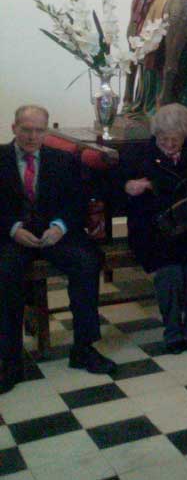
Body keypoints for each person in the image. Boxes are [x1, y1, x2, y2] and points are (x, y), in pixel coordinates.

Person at [0, 105, 117, 394]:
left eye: (39, 130)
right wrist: (13, 229)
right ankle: (9, 360)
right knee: (4, 272)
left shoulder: (62, 160)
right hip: (14, 235)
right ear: (14, 128)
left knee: (87, 262)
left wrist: (59, 227)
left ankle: (84, 348)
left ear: (46, 131)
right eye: (26, 129)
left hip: (54, 234)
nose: (32, 136)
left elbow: (77, 202)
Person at [123, 103, 187, 354]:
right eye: (163, 139)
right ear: (155, 135)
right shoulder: (140, 156)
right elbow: (122, 191)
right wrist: (132, 186)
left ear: (184, 136)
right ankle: (172, 331)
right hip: (154, 233)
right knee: (171, 274)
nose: (168, 144)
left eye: (174, 139)